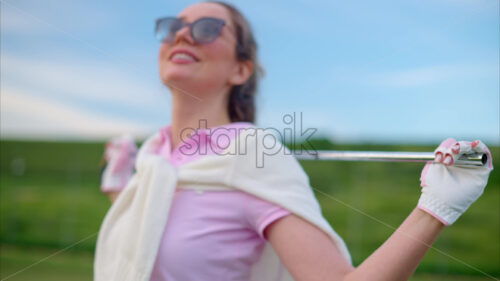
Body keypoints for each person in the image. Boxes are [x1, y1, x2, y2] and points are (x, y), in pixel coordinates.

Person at [96, 1, 494, 281]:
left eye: (206, 29)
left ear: (240, 69)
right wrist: (121, 183)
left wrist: (435, 207)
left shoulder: (254, 159)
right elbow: (154, 227)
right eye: (172, 26)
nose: (183, 33)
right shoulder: (156, 156)